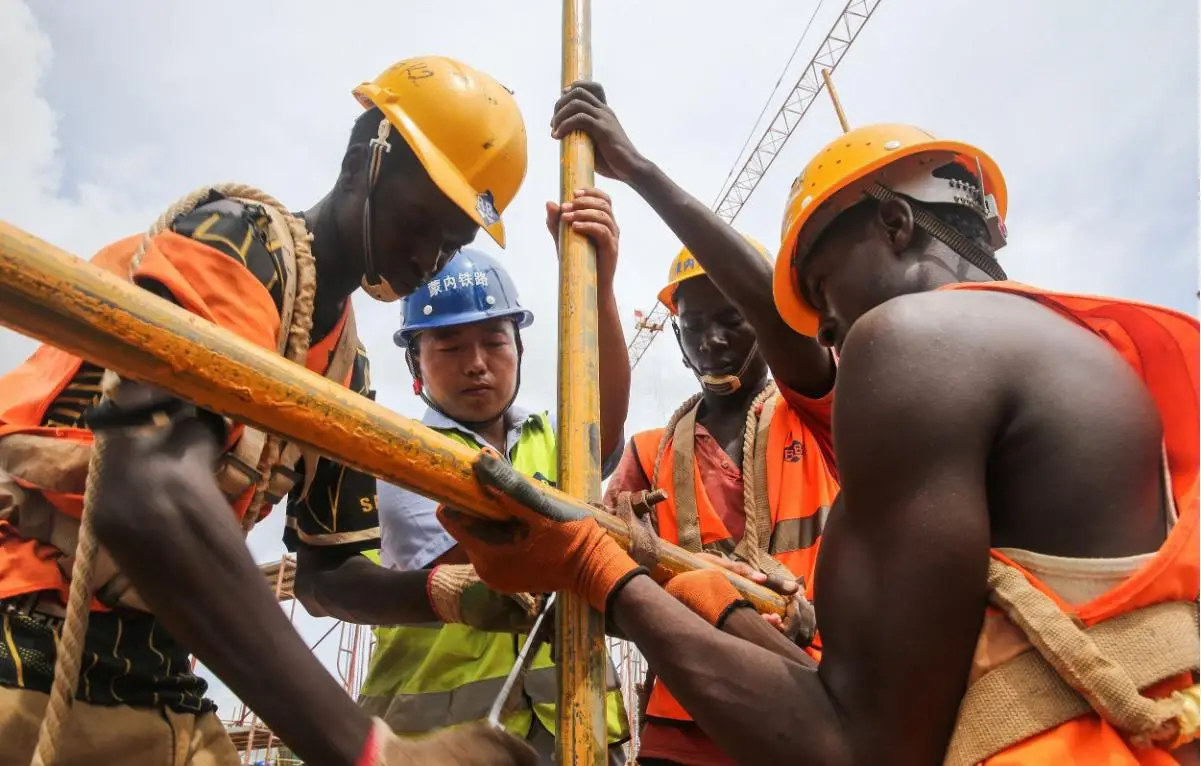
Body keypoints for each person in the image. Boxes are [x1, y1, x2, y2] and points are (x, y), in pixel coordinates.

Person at [437, 111, 1200, 765]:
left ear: (895, 225)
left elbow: (853, 748)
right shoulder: (1087, 350)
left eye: (823, 289)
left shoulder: (915, 346)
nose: (824, 327)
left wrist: (595, 570)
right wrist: (724, 607)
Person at [0, 56, 537, 766]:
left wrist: (444, 593)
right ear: (360, 164)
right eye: (420, 222)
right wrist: (370, 750)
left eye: (451, 243)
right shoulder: (237, 242)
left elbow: (326, 574)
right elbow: (146, 494)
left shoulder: (344, 366)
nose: (426, 257)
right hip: (29, 624)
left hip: (155, 657)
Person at [290, 192, 631, 764]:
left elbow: (606, 420)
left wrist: (597, 283)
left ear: (519, 348)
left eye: (495, 341)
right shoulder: (399, 457)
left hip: (576, 732)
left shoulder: (551, 435)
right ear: (415, 364)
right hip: (444, 742)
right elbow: (477, 561)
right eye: (448, 345)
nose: (477, 362)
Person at [559, 82, 837, 765]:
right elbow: (605, 595)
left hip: (820, 702)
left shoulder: (819, 415)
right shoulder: (650, 454)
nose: (712, 343)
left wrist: (640, 171)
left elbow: (786, 327)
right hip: (686, 723)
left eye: (731, 320)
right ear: (675, 341)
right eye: (694, 329)